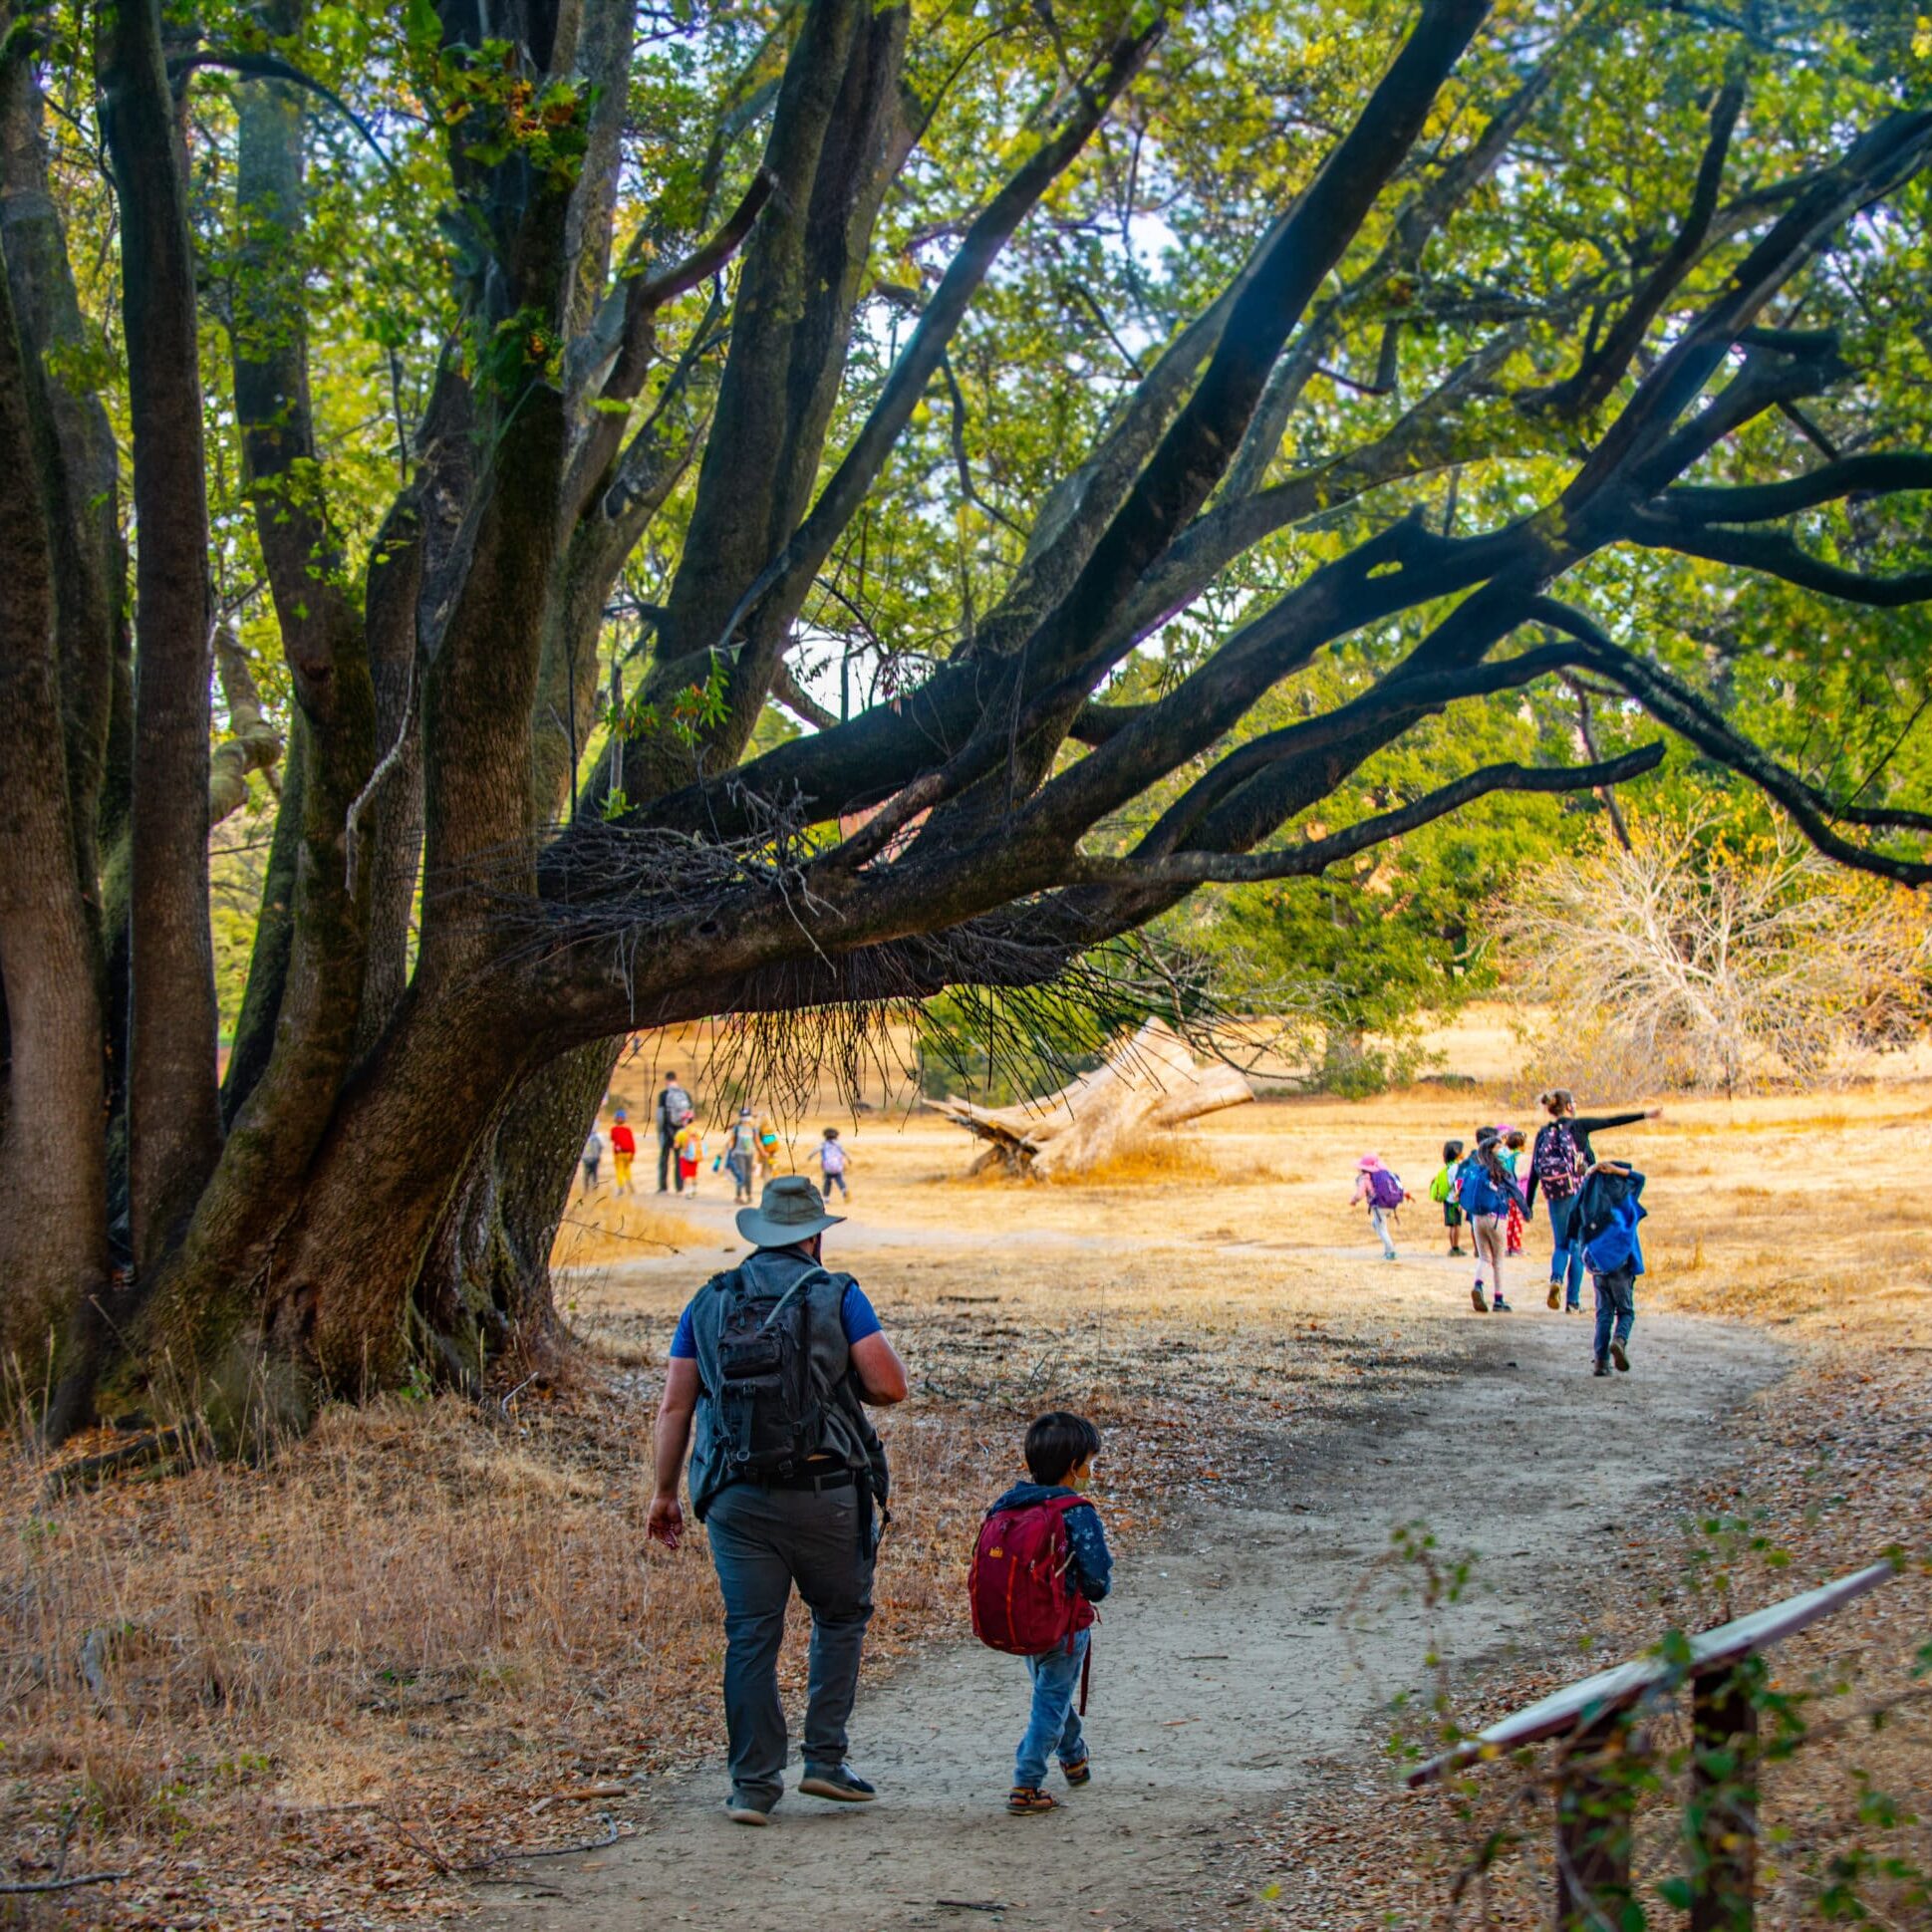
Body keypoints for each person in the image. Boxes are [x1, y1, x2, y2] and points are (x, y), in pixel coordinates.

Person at [647, 1176, 909, 1825]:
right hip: (825, 1493)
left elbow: (674, 1405)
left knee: (750, 1637)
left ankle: (753, 1786)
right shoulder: (836, 1293)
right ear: (815, 1235)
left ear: (760, 1234)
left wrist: (662, 1493)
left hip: (736, 1499)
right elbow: (889, 1385)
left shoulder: (708, 1301)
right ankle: (823, 1760)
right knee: (840, 1616)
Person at [983, 1412, 1113, 1816]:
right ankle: (1026, 1783)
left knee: (1051, 1697)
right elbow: (1097, 1580)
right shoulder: (1077, 1512)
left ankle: (1074, 1757)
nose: (1091, 1472)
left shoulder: (1008, 1504)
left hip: (1022, 1620)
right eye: (1089, 1464)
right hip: (1065, 1627)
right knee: (1051, 1702)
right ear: (1074, 1467)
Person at [1525, 1092, 1662, 1313]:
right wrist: (1645, 1115)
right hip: (1578, 1193)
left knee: (1560, 1245)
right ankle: (1572, 1302)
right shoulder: (1578, 1127)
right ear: (1569, 1106)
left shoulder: (1543, 1133)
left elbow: (1534, 1171)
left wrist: (1528, 1204)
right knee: (1578, 1245)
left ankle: (1556, 1279)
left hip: (1554, 1195)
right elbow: (1612, 1121)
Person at [1576, 1159, 1647, 1375]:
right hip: (1621, 1265)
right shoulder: (1625, 1198)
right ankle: (1620, 1340)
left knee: (1603, 1313)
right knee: (1625, 1311)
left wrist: (1589, 1174)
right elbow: (1640, 1178)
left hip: (1598, 1264)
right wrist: (1616, 1170)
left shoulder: (1591, 1203)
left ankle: (1601, 1362)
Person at [1456, 1128, 1526, 1313]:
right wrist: (1527, 1213)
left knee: (1484, 1258)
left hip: (1477, 1218)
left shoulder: (1474, 1169)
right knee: (1498, 1260)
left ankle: (1478, 1285)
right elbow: (1516, 1193)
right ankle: (1498, 1299)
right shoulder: (1500, 1171)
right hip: (1497, 1218)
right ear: (1495, 1151)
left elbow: (1459, 1188)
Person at [1348, 1154, 1405, 1261]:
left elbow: (1359, 1194)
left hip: (1379, 1206)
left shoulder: (1365, 1178)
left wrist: (1353, 1201)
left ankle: (1390, 1252)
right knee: (1376, 1224)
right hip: (1390, 1205)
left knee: (1381, 1229)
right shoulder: (1384, 1175)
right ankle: (1388, 1246)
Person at [656, 1071, 694, 1194]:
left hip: (668, 1131)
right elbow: (691, 1115)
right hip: (682, 1131)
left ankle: (663, 1187)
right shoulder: (685, 1094)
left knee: (664, 1159)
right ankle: (679, 1186)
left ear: (667, 1080)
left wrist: (660, 1131)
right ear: (676, 1079)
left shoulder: (664, 1095)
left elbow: (660, 1116)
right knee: (679, 1160)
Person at [1429, 1140, 1467, 1256]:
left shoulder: (1448, 1167)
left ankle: (1453, 1246)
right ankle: (1455, 1247)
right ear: (1457, 1153)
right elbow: (1457, 1184)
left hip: (1448, 1200)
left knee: (1452, 1225)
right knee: (1456, 1225)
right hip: (1454, 1201)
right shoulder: (1456, 1168)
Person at [723, 1106, 759, 1205]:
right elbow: (732, 1140)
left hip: (750, 1154)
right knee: (741, 1174)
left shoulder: (753, 1128)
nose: (745, 1119)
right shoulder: (737, 1128)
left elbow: (757, 1142)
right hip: (739, 1154)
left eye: (746, 1116)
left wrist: (763, 1152)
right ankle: (738, 1196)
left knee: (748, 1175)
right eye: (743, 1116)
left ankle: (749, 1195)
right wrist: (728, 1148)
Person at [1502, 1128, 1528, 1255]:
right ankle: (1517, 1246)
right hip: (1519, 1192)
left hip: (1508, 1192)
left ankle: (1509, 1246)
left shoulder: (1507, 1158)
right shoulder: (1522, 1158)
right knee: (1518, 1220)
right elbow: (1521, 1174)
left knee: (1510, 1221)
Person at [674, 1116, 705, 1197]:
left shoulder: (681, 1132)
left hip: (685, 1156)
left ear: (685, 1122)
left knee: (687, 1174)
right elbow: (701, 1142)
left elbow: (676, 1145)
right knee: (693, 1173)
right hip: (695, 1156)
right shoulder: (697, 1132)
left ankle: (689, 1191)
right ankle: (694, 1189)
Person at [609, 1106, 637, 1197]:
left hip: (619, 1153)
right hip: (629, 1153)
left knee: (619, 1170)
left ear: (615, 1119)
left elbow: (612, 1139)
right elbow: (632, 1142)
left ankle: (621, 1187)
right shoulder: (628, 1130)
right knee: (627, 1169)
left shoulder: (614, 1129)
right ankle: (629, 1181)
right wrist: (633, 1153)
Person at [818, 1126, 850, 1201]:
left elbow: (815, 1150)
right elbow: (844, 1152)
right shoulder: (838, 1145)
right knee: (839, 1179)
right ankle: (843, 1190)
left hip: (828, 1167)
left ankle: (826, 1198)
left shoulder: (823, 1144)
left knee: (827, 1182)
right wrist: (849, 1159)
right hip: (838, 1167)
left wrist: (809, 1157)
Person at [581, 1124, 603, 1195]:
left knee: (586, 1175)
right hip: (594, 1159)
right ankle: (594, 1190)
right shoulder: (596, 1138)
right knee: (594, 1175)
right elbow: (600, 1147)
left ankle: (586, 1190)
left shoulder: (585, 1137)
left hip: (586, 1159)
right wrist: (598, 1156)